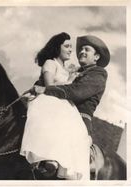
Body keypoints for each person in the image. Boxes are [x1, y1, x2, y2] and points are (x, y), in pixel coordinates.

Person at [26, 34, 110, 180]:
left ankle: (55, 165)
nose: (81, 52)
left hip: (78, 117)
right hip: (58, 111)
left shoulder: (98, 74)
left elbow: (76, 93)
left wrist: (46, 90)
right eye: (81, 49)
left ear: (96, 57)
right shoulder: (74, 71)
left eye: (86, 49)